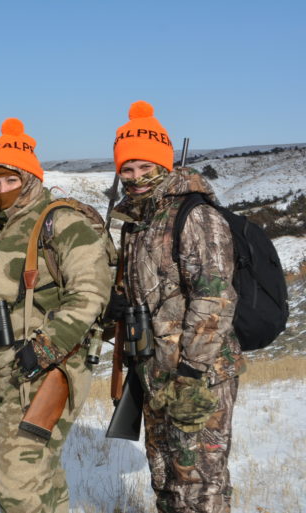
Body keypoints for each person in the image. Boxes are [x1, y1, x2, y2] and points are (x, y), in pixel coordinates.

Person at [108, 101, 243, 513]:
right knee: (166, 480)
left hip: (197, 374)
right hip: (154, 371)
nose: (136, 177)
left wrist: (191, 372)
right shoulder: (138, 222)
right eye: (127, 169)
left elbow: (214, 298)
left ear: (164, 164)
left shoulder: (195, 215)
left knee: (198, 484)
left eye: (145, 167)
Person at [0, 118, 112, 513]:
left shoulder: (62, 221)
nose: (3, 189)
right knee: (42, 472)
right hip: (5, 371)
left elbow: (90, 292)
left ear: (31, 178)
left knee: (16, 483)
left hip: (47, 369)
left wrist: (44, 348)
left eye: (11, 180)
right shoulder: (1, 229)